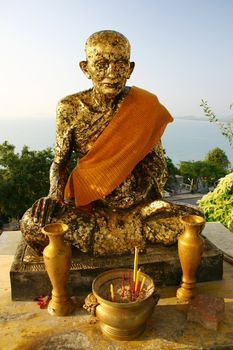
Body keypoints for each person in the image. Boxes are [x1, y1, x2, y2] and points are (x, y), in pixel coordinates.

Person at [20, 30, 201, 256]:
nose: (112, 73)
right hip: (90, 207)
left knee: (192, 219)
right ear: (85, 68)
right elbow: (60, 163)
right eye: (102, 64)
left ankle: (103, 240)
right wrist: (54, 196)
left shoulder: (145, 105)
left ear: (130, 68)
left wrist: (143, 198)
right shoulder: (70, 108)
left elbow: (157, 164)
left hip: (138, 207)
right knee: (31, 224)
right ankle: (130, 237)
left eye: (120, 64)